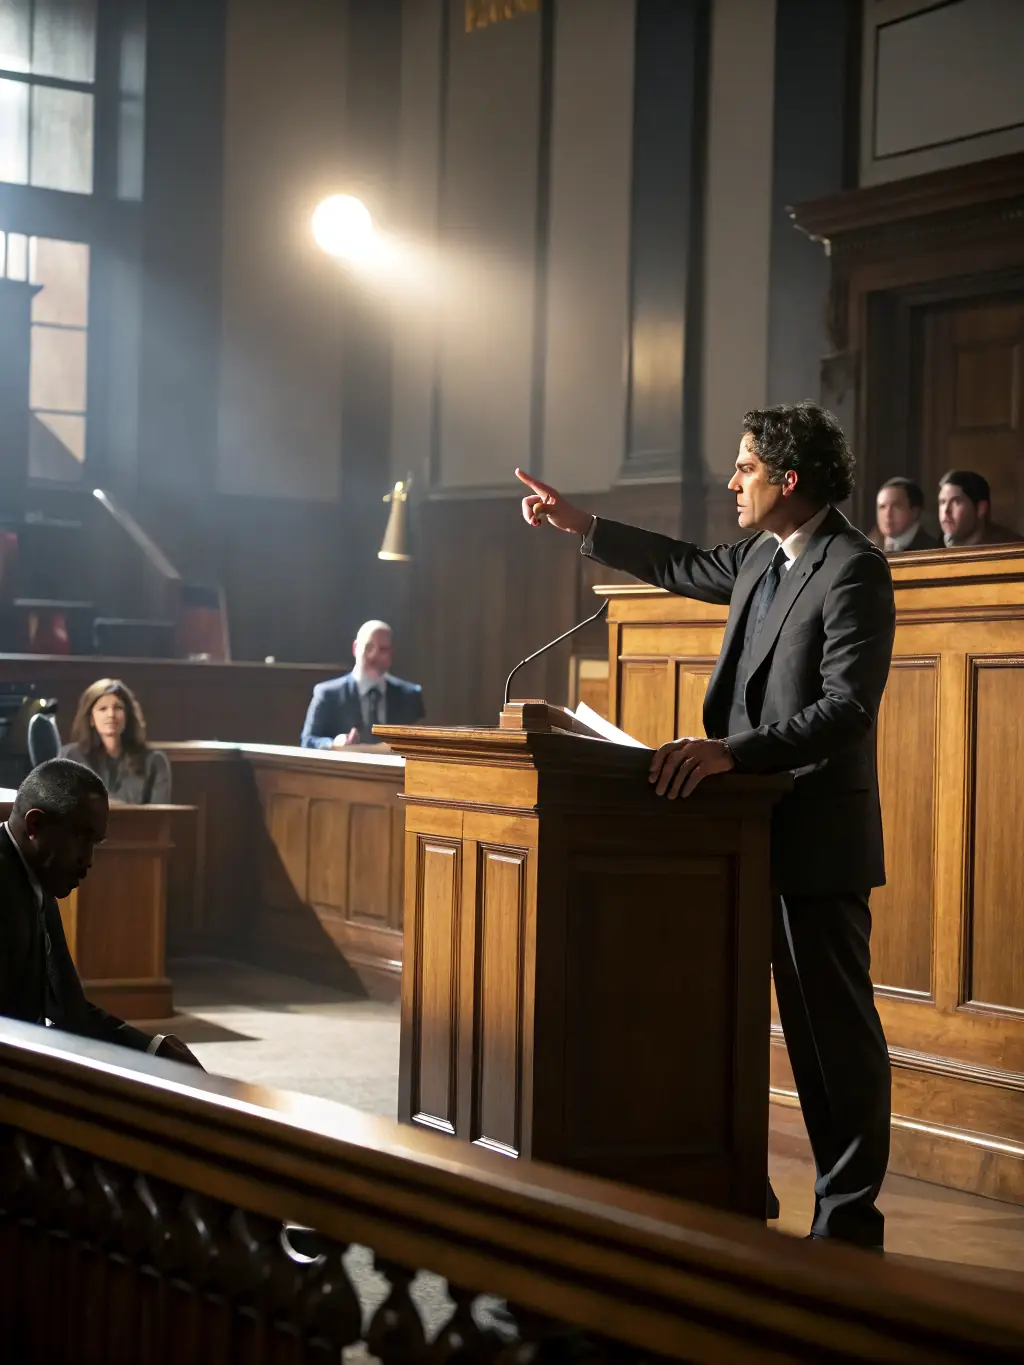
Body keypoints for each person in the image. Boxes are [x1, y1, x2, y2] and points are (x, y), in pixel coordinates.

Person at [517, 402, 895, 1251]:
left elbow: (846, 711)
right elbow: (684, 563)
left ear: (787, 480)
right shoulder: (765, 555)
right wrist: (582, 524)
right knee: (718, 1017)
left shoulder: (853, 569)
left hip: (812, 840)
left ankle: (848, 1223)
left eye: (745, 467)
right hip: (732, 837)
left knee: (833, 1042)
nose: (731, 481)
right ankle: (727, 1185)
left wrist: (733, 752)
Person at [0, 759, 201, 1066]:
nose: (89, 859)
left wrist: (152, 1049)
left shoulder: (37, 872)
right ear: (34, 826)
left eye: (95, 843)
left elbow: (68, 1009)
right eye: (81, 838)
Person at [301, 620, 425, 749]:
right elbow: (308, 741)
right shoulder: (328, 694)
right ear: (355, 648)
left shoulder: (410, 696)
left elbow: (422, 745)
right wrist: (333, 744)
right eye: (369, 647)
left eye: (383, 650)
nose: (374, 655)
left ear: (391, 654)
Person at [61, 678, 171, 804]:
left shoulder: (154, 762)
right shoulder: (70, 758)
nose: (111, 714)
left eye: (118, 707)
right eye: (103, 709)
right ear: (91, 718)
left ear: (128, 715)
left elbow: (160, 818)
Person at [938, 470, 1024, 547]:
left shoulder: (1012, 548)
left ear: (981, 508)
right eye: (942, 502)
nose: (946, 511)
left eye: (956, 502)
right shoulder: (934, 547)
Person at [869, 476, 939, 553]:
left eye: (896, 506)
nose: (888, 514)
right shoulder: (868, 549)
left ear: (915, 512)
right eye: (882, 507)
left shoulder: (934, 549)